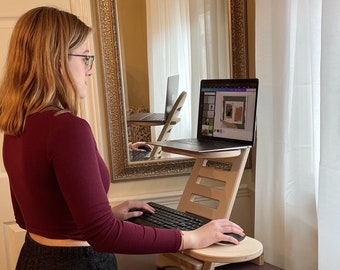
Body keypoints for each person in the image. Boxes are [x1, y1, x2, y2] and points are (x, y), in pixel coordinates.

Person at [0, 6, 245, 270]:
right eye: (85, 57)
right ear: (56, 60)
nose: (89, 70)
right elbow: (103, 235)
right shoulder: (67, 129)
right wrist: (191, 237)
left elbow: (28, 218)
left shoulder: (17, 125)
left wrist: (105, 214)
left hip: (33, 258)